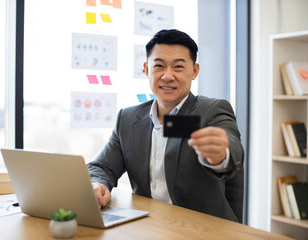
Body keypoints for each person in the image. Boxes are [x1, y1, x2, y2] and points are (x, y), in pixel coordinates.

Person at [87, 29, 244, 222]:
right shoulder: (128, 119)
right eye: (159, 66)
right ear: (146, 69)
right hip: (149, 227)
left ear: (194, 71)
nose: (167, 76)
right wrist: (98, 184)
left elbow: (232, 147)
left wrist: (221, 154)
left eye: (178, 67)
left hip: (202, 229)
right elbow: (103, 166)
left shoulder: (211, 111)